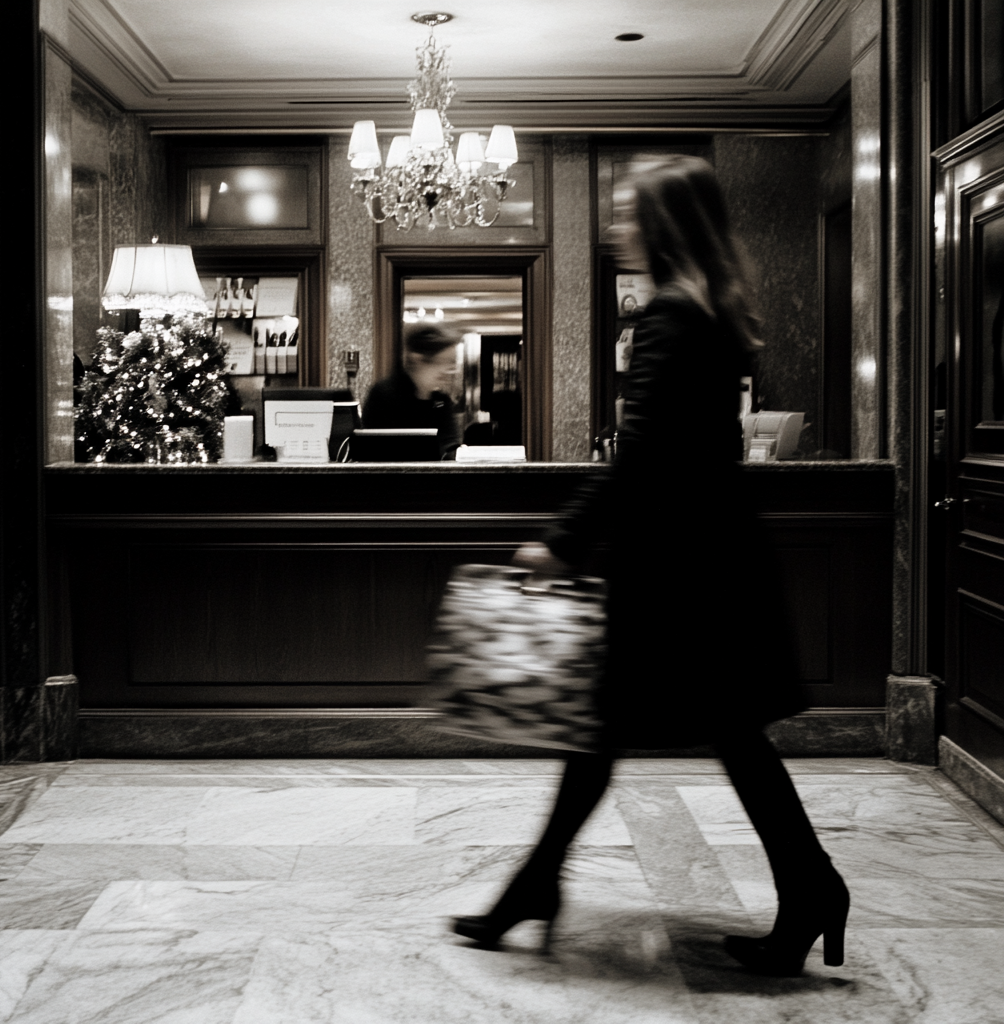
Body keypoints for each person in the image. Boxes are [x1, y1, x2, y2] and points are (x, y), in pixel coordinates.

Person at [452, 155, 849, 977]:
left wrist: (560, 542)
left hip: (679, 574)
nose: (620, 229)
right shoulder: (709, 310)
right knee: (692, 733)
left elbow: (639, 459)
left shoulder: (669, 317)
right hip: (709, 562)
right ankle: (807, 888)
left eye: (631, 214)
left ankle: (538, 887)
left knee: (631, 729)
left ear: (663, 227)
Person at [362, 324, 461, 457]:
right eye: (443, 362)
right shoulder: (384, 395)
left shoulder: (441, 400)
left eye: (452, 363)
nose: (450, 370)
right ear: (417, 359)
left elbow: (450, 445)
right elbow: (374, 451)